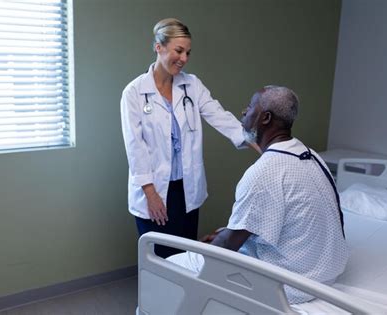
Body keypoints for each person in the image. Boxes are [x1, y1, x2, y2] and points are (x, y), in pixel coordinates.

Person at [167, 85, 348, 304]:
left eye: (251, 106)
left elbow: (227, 247)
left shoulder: (264, 172)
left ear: (265, 118)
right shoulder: (311, 155)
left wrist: (201, 247)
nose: (244, 112)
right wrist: (227, 232)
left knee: (171, 266)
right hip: (326, 271)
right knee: (224, 234)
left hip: (295, 283)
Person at [120, 18, 260, 258]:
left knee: (184, 256)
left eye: (188, 52)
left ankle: (179, 297)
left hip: (186, 189)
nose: (184, 58)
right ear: (159, 47)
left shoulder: (191, 85)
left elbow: (218, 114)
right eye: (178, 50)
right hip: (153, 189)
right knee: (159, 259)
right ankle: (158, 297)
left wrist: (254, 141)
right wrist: (151, 194)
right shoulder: (134, 92)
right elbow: (135, 147)